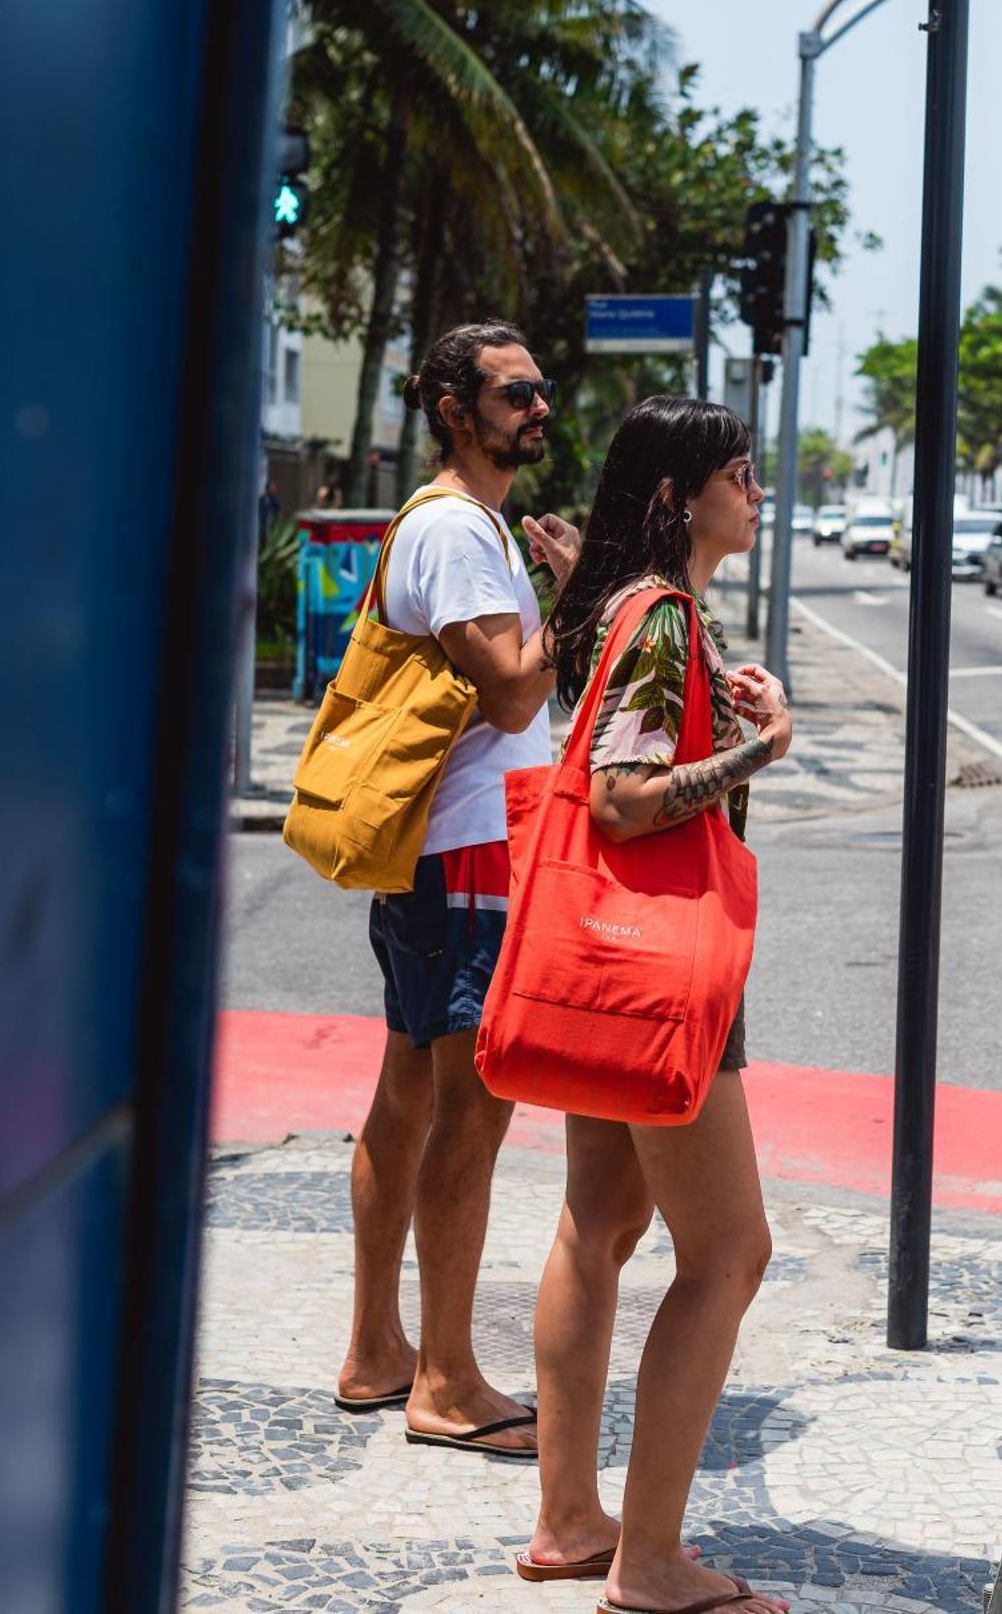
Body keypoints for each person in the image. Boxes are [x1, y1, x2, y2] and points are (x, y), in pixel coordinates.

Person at [520, 398, 793, 1614]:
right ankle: (649, 1561)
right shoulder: (662, 619)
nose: (758, 493)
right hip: (658, 975)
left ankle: (572, 1520)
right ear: (682, 494)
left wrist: (727, 709)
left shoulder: (642, 608)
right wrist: (760, 750)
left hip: (602, 969)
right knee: (730, 1250)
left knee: (600, 1220)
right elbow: (627, 798)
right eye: (742, 473)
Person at [334, 320, 577, 1462]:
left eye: (540, 390)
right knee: (472, 1108)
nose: (537, 407)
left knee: (407, 1093)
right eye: (514, 392)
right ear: (451, 406)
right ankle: (443, 1377)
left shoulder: (460, 526)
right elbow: (516, 699)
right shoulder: (457, 530)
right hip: (476, 841)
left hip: (445, 842)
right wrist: (575, 601)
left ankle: (380, 1348)